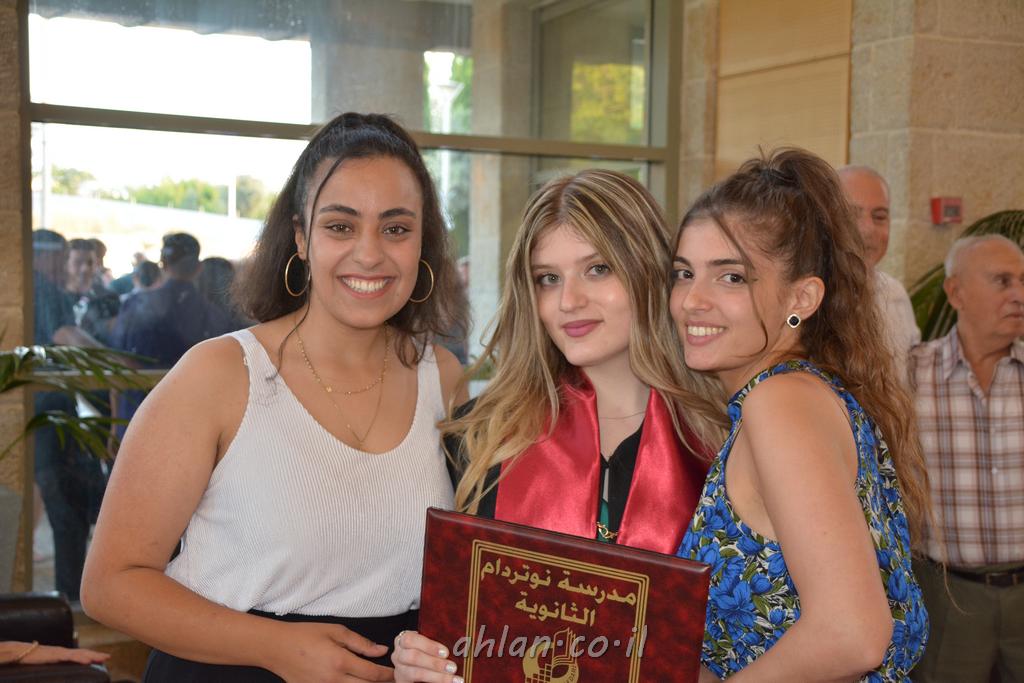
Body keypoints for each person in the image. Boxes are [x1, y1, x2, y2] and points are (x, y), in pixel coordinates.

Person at [81, 112, 468, 682]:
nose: (369, 254)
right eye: (340, 226)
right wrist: (275, 647)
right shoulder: (219, 374)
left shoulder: (444, 378)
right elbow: (110, 585)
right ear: (301, 237)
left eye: (395, 229)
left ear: (421, 244)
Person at [391, 169, 725, 682]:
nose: (568, 301)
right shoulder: (478, 439)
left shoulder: (722, 441)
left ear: (649, 270)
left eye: (597, 269)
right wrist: (422, 665)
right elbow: (464, 631)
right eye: (548, 278)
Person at [671, 149, 930, 680]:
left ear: (802, 298)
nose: (691, 300)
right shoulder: (798, 393)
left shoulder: (780, 401)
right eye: (683, 273)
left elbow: (852, 635)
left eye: (731, 277)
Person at [909, 235, 1024, 682]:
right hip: (949, 596)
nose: (1018, 294)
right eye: (1003, 281)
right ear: (955, 293)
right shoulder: (911, 375)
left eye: (1022, 281)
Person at [31, 229, 106, 602]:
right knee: (67, 507)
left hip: (42, 413)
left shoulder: (31, 288)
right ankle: (70, 601)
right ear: (43, 257)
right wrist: (118, 364)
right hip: (47, 415)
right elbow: (66, 334)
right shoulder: (44, 291)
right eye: (61, 257)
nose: (66, 266)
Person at [837, 165, 921, 379]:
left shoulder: (894, 294)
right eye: (852, 215)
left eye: (879, 216)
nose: (867, 229)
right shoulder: (801, 296)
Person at [65, 238, 121, 345]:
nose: (85, 268)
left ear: (97, 264)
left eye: (90, 263)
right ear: (65, 263)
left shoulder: (108, 298)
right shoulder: (56, 299)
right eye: (78, 262)